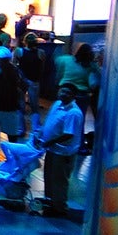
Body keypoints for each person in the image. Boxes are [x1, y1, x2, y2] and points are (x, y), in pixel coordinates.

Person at [37, 83, 85, 217]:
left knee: (59, 181)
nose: (63, 94)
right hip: (52, 149)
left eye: (67, 93)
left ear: (74, 96)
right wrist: (40, 134)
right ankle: (50, 203)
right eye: (62, 91)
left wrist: (49, 141)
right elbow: (48, 123)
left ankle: (59, 208)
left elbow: (68, 134)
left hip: (63, 153)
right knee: (49, 177)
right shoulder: (57, 104)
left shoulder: (73, 113)